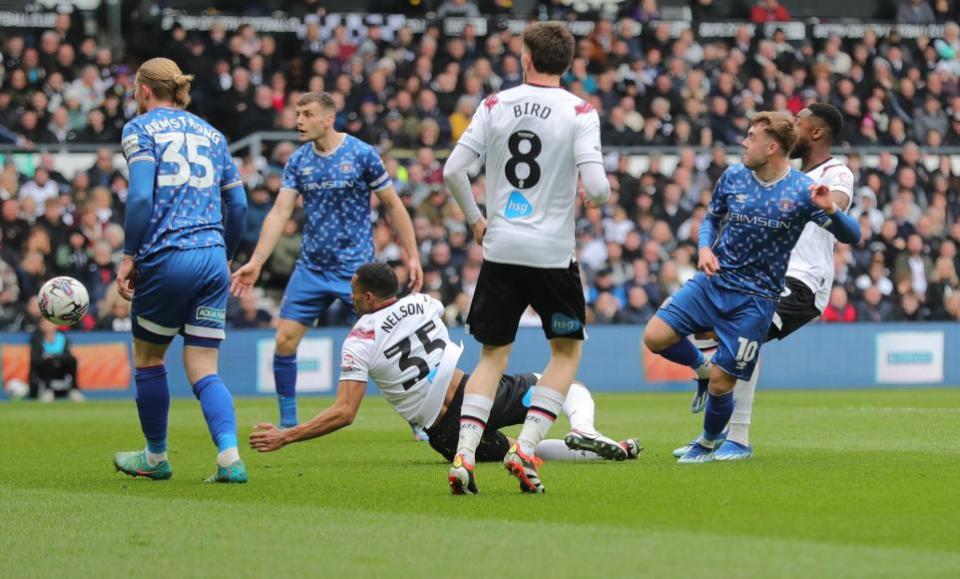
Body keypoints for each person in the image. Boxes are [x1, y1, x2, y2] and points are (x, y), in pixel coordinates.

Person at [249, 264, 641, 474]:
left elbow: (344, 412)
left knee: (513, 453)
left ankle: (616, 451)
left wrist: (288, 435)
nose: (351, 299)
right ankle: (584, 430)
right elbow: (426, 311)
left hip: (444, 433)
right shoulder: (424, 302)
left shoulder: (358, 340)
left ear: (368, 298)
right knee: (567, 388)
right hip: (478, 397)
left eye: (354, 293)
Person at [442, 22, 611, 494]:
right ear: (568, 61)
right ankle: (526, 445)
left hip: (501, 249)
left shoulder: (495, 104)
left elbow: (454, 170)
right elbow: (596, 190)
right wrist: (596, 193)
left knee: (492, 357)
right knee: (566, 352)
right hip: (553, 255)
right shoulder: (580, 111)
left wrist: (477, 220)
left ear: (525, 56)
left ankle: (464, 455)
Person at [643, 111, 860, 464]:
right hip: (734, 278)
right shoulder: (745, 176)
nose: (793, 122)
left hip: (800, 280)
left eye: (800, 120)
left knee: (739, 346)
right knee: (709, 342)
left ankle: (729, 437)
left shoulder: (827, 176)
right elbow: (712, 218)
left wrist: (829, 207)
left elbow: (843, 215)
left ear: (816, 132)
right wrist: (705, 249)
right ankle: (722, 415)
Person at [231, 91, 422, 430]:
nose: (298, 120)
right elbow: (279, 211)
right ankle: (288, 421)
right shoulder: (298, 161)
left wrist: (412, 255)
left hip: (357, 272)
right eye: (297, 113)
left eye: (306, 114)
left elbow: (393, 205)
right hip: (311, 268)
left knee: (388, 348)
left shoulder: (362, 154)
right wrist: (258, 261)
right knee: (284, 340)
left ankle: (419, 419)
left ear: (328, 118)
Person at [113, 58, 249, 483]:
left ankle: (155, 458)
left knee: (150, 359)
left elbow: (138, 199)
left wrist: (129, 255)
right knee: (205, 367)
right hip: (211, 257)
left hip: (167, 256)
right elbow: (240, 205)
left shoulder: (140, 129)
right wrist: (224, 256)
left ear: (145, 90)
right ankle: (230, 458)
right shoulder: (213, 135)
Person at [30, 317, 82, 403]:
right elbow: (35, 358)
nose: (48, 326)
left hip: (61, 367)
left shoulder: (62, 337)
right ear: (41, 326)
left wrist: (55, 357)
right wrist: (50, 358)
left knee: (72, 360)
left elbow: (67, 354)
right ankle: (48, 391)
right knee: (48, 363)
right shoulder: (37, 339)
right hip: (44, 369)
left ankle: (74, 389)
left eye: (50, 323)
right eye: (45, 324)